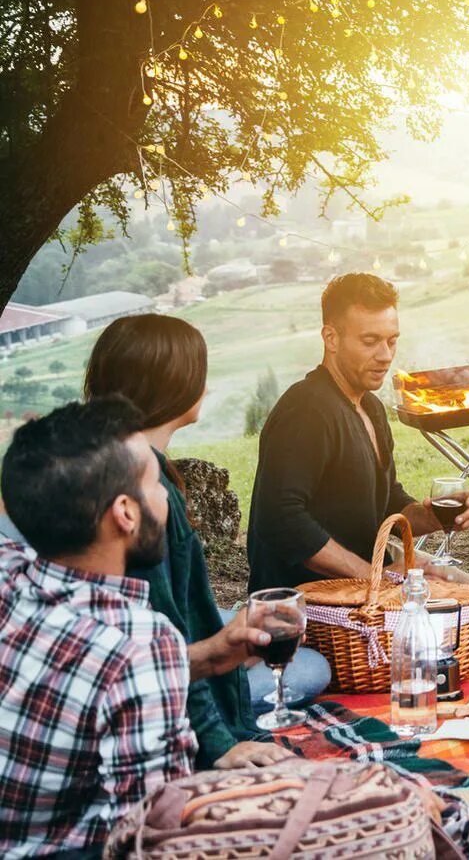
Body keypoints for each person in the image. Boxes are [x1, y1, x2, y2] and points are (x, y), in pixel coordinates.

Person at [0, 399, 270, 857]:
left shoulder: (9, 570)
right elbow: (151, 837)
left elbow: (92, 682)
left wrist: (205, 657)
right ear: (125, 513)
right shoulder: (141, 645)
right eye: (154, 482)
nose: (168, 495)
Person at [85, 314, 313, 749]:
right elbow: (164, 628)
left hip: (162, 652)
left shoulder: (112, 459)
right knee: (313, 667)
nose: (206, 387)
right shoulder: (148, 495)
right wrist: (218, 740)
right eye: (200, 374)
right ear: (173, 383)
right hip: (169, 673)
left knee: (261, 631)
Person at [246, 273, 469, 594]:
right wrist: (375, 577)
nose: (385, 355)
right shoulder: (307, 409)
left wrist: (434, 516)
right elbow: (280, 520)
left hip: (366, 575)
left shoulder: (371, 407)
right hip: (308, 595)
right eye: (370, 342)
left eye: (392, 340)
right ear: (331, 338)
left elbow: (385, 502)